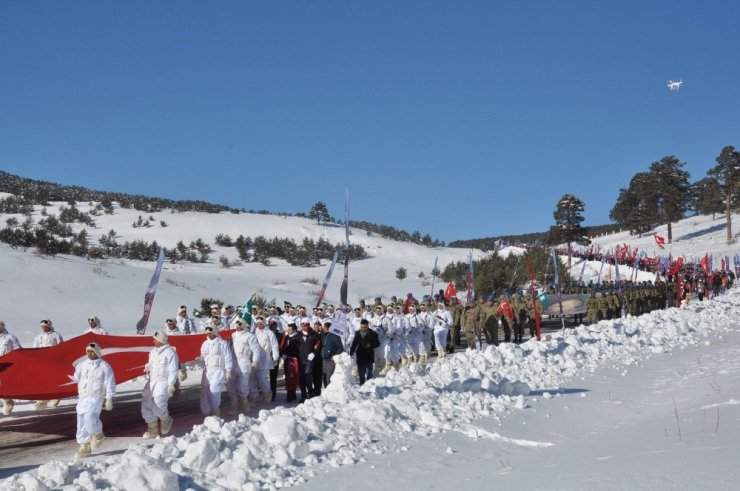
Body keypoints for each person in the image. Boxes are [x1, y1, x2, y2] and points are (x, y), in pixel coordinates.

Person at [72, 342, 115, 458]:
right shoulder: (81, 365)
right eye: (88, 351)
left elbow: (110, 382)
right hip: (83, 397)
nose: (90, 354)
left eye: (92, 351)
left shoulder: (104, 365)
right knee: (81, 421)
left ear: (97, 352)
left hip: (96, 397)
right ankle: (84, 447)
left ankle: (98, 434)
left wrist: (109, 398)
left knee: (90, 418)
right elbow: (76, 378)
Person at [141, 331, 179, 438]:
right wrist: (148, 366)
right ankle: (153, 430)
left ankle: (166, 419)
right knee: (146, 405)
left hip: (163, 382)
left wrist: (171, 384)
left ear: (161, 340)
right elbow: (151, 363)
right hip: (152, 381)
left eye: (155, 339)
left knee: (158, 407)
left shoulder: (170, 352)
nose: (153, 341)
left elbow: (173, 370)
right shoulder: (153, 352)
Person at [227, 318, 261, 413]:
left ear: (244, 325)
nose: (238, 326)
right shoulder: (232, 335)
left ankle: (245, 405)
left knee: (243, 385)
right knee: (231, 384)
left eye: (240, 324)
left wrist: (255, 361)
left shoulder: (250, 336)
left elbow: (256, 349)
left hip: (244, 361)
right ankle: (234, 406)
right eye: (237, 324)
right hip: (233, 361)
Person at [200, 326, 234, 417]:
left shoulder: (222, 343)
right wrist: (200, 359)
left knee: (214, 390)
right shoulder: (205, 343)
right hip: (207, 371)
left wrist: (229, 370)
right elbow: (203, 355)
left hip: (218, 371)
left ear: (214, 332)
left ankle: (215, 410)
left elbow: (228, 357)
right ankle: (206, 412)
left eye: (210, 333)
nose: (208, 335)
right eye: (207, 333)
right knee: (204, 391)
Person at [34, 319, 64, 409]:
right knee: (42, 380)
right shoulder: (38, 336)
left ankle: (55, 397)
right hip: (42, 362)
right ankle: (41, 401)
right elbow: (34, 349)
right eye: (43, 326)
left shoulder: (56, 335)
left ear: (50, 326)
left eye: (46, 326)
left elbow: (61, 348)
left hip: (53, 361)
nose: (44, 328)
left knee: (54, 380)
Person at [250, 317, 279, 403]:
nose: (259, 325)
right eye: (258, 324)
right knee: (252, 378)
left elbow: (274, 345)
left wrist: (275, 357)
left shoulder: (270, 333)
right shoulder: (254, 332)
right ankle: (253, 396)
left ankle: (267, 394)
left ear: (264, 323)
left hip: (265, 357)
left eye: (261, 323)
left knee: (262, 378)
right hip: (255, 357)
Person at [349, 319, 380, 385]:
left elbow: (377, 344)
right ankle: (362, 386)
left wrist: (370, 345)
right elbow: (354, 344)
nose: (363, 328)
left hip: (369, 356)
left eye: (365, 327)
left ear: (367, 326)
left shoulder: (372, 333)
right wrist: (350, 353)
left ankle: (369, 386)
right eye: (362, 327)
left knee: (369, 373)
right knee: (361, 373)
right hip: (360, 356)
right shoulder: (357, 333)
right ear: (360, 326)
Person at [0, 321, 21, 415]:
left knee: (4, 384)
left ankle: (8, 401)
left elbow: (18, 350)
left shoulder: (10, 337)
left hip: (7, 364)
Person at [297, 319, 321, 402]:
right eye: (302, 324)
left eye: (306, 324)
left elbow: (318, 345)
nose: (304, 326)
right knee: (301, 378)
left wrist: (314, 353)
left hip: (309, 360)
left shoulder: (314, 335)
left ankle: (311, 393)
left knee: (307, 375)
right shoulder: (298, 335)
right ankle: (303, 395)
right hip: (300, 359)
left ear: (309, 325)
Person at [280, 323, 301, 402]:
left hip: (294, 360)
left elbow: (298, 349)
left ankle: (292, 394)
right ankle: (289, 393)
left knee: (293, 376)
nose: (288, 331)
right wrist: (282, 354)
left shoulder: (297, 338)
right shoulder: (286, 338)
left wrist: (291, 355)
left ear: (294, 330)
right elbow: (282, 347)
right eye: (287, 329)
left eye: (290, 330)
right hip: (287, 359)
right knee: (287, 377)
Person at [321, 321, 344, 387]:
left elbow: (340, 347)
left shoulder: (335, 336)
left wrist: (335, 356)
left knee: (329, 379)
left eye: (324, 327)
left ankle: (331, 394)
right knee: (324, 378)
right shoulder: (323, 335)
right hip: (323, 360)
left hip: (330, 361)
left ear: (328, 328)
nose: (323, 328)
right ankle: (326, 393)